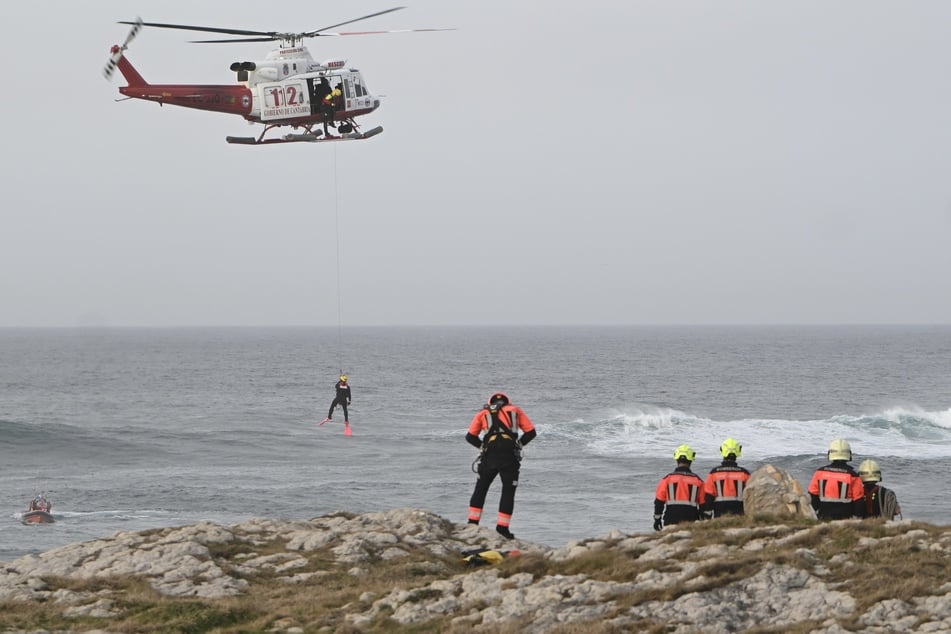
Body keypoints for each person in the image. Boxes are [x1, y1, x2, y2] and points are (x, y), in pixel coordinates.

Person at [465, 392, 537, 540]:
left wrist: (482, 447)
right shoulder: (515, 410)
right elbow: (531, 432)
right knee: (508, 492)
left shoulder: (482, 413)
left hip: (489, 456)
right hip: (509, 456)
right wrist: (518, 445)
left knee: (481, 488)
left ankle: (472, 524)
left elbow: (470, 437)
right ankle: (502, 529)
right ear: (508, 402)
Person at [653, 444, 707, 530]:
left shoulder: (667, 479)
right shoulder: (698, 481)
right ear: (691, 460)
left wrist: (657, 519)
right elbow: (704, 505)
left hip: (670, 520)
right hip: (691, 521)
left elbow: (659, 502)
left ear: (677, 459)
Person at [808, 439, 864, 520]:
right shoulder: (852, 475)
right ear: (848, 454)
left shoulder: (819, 473)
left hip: (823, 517)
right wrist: (858, 519)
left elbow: (813, 496)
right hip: (846, 520)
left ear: (830, 453)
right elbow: (859, 501)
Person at [701, 438, 751, 518]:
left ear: (722, 451)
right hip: (739, 509)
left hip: (719, 510)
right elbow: (750, 494)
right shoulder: (744, 473)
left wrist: (707, 512)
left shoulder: (714, 473)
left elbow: (709, 495)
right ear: (738, 451)